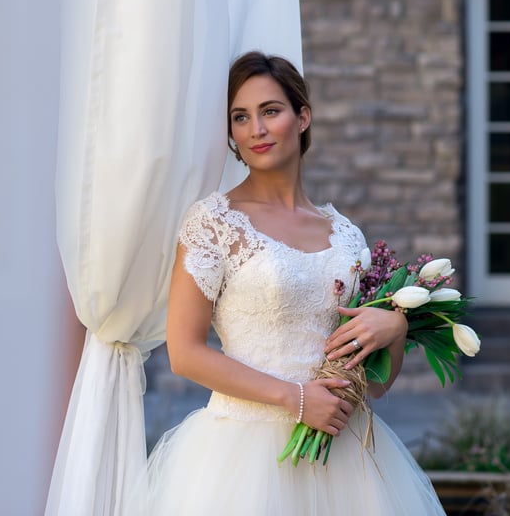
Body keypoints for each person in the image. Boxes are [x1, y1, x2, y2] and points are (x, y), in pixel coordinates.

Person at [141, 52, 445, 514]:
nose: (255, 130)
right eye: (240, 118)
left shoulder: (344, 234)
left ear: (302, 117)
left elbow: (374, 384)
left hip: (345, 460)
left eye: (270, 111)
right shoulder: (213, 223)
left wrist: (395, 331)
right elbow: (184, 354)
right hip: (243, 458)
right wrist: (297, 398)